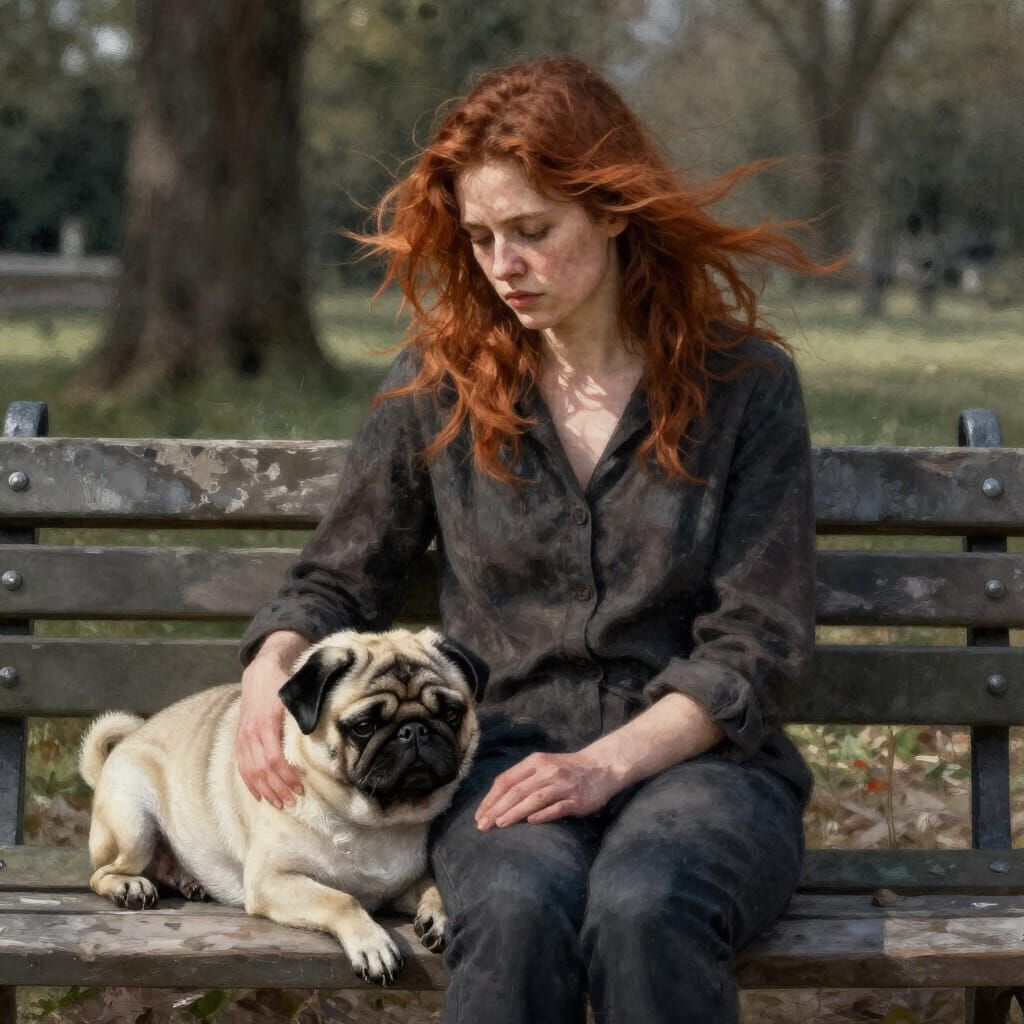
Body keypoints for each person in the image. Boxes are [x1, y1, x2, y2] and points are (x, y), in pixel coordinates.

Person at [236, 55, 835, 1024]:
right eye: (480, 237)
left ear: (611, 210)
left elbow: (759, 641)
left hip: (705, 770)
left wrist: (608, 764)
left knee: (647, 906)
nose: (503, 264)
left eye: (532, 231)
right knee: (514, 909)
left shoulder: (743, 384)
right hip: (499, 755)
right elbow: (339, 578)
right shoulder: (437, 386)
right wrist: (273, 664)